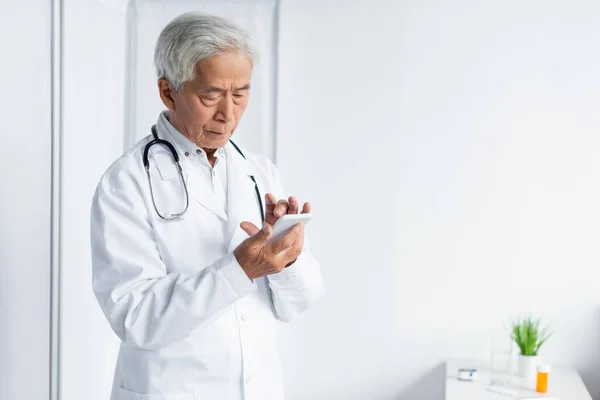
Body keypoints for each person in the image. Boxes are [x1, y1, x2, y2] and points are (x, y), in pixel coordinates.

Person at [90, 12, 325, 400]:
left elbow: (299, 302)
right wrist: (238, 270)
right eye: (210, 95)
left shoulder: (259, 172)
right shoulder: (126, 182)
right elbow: (136, 317)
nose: (228, 114)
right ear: (169, 92)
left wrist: (290, 258)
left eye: (240, 93)